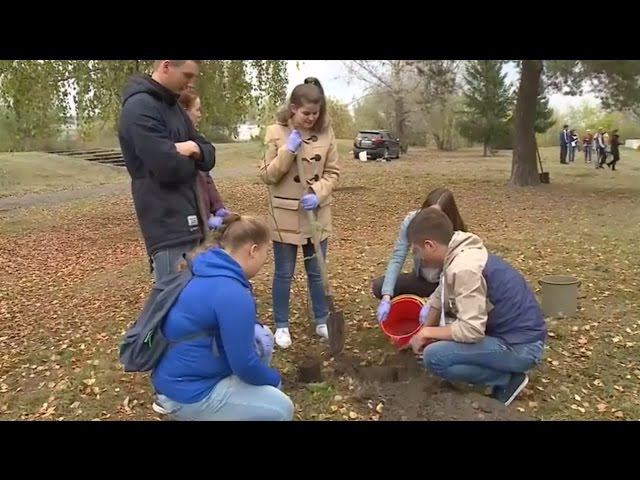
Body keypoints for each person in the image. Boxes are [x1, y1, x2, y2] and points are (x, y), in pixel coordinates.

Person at [151, 215, 294, 421]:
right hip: (188, 392)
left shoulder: (205, 266)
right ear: (253, 251)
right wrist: (275, 382)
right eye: (266, 252)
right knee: (281, 408)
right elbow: (243, 363)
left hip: (178, 375)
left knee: (263, 336)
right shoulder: (231, 292)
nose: (265, 259)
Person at [407, 208, 547, 406]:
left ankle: (507, 381)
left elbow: (471, 330)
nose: (418, 258)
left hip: (522, 347)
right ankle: (500, 367)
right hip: (512, 335)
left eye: (417, 251)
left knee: (435, 357)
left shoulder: (464, 268)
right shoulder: (457, 251)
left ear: (429, 245)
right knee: (441, 335)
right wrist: (425, 332)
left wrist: (429, 332)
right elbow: (439, 296)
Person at [259, 77, 340, 349]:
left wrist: (317, 192)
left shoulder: (327, 134)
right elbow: (267, 176)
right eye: (306, 113)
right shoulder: (275, 132)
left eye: (316, 113)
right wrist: (287, 150)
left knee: (316, 272)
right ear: (293, 108)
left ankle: (321, 319)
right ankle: (281, 325)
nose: (311, 118)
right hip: (284, 217)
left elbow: (332, 173)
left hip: (316, 216)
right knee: (283, 273)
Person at [118, 60, 216, 284]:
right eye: (187, 75)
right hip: (167, 227)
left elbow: (209, 155)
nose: (190, 82)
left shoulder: (173, 107)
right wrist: (188, 156)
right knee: (174, 303)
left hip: (193, 221)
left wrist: (191, 149)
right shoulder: (139, 107)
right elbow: (168, 168)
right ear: (166, 66)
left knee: (196, 301)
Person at [373, 188, 467, 324]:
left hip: (445, 285)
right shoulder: (412, 222)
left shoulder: (456, 235)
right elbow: (398, 256)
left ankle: (440, 312)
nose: (431, 220)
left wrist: (433, 302)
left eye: (437, 216)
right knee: (380, 286)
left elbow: (451, 277)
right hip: (422, 279)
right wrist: (387, 295)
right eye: (427, 214)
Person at [178, 88, 232, 230]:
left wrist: (218, 208)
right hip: (188, 226)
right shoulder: (178, 146)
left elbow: (206, 178)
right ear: (184, 111)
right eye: (197, 110)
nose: (200, 115)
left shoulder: (196, 141)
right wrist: (204, 219)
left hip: (203, 223)